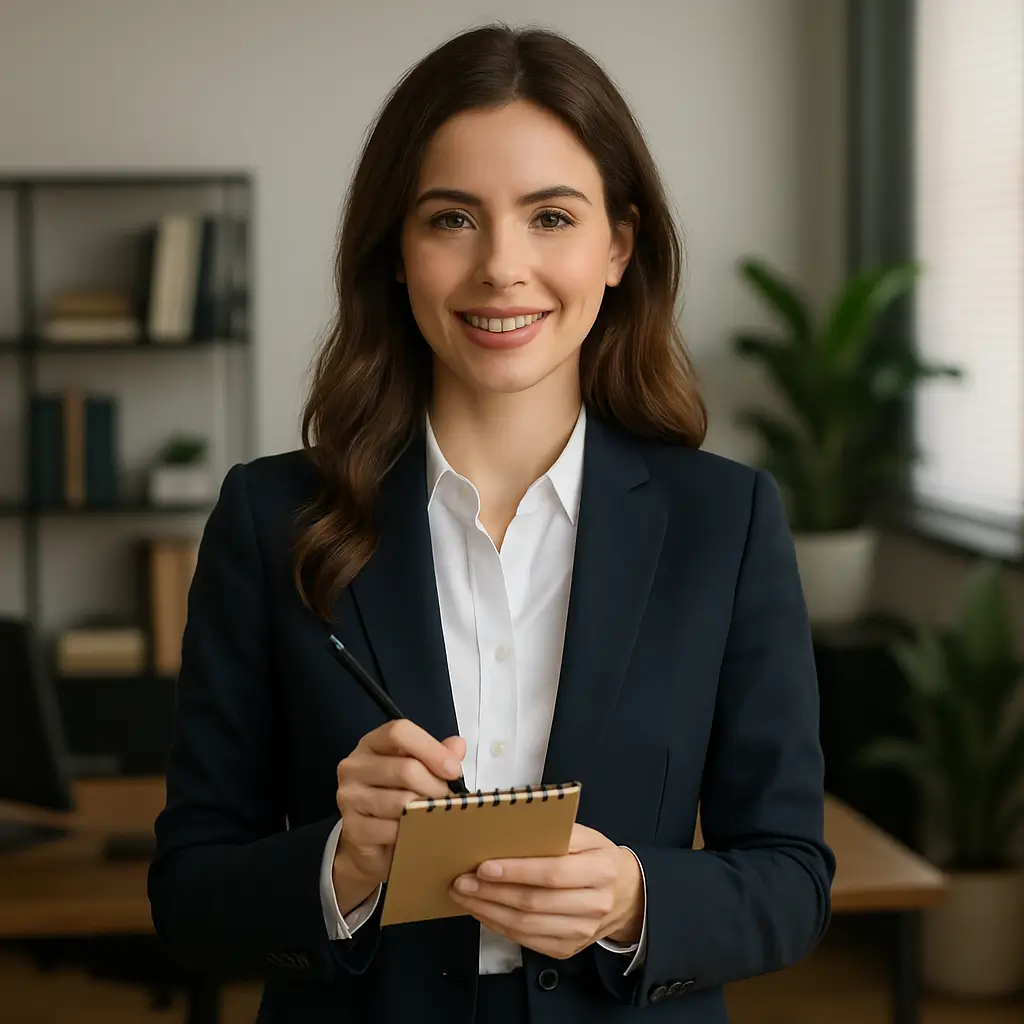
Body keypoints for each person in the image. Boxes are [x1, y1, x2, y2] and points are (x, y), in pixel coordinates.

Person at [148, 22, 835, 1024]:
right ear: (395, 251)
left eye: (551, 216)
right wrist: (345, 862)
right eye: (451, 220)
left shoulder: (724, 522)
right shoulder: (270, 517)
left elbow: (791, 879)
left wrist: (638, 899)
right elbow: (188, 897)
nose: (502, 268)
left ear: (618, 244)